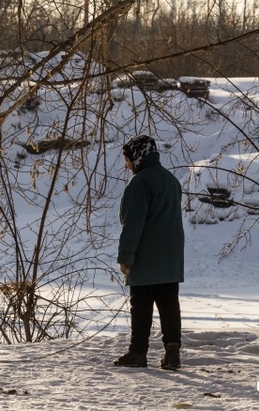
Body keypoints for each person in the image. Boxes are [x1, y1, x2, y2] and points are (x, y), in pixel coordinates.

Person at [113, 134, 184, 370]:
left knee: (141, 306)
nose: (127, 165)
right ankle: (172, 353)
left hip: (145, 257)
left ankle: (138, 352)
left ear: (138, 156)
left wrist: (125, 257)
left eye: (127, 159)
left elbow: (132, 225)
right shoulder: (171, 180)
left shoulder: (140, 183)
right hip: (171, 258)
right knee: (169, 305)